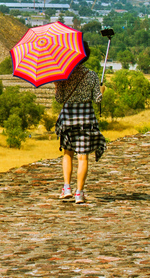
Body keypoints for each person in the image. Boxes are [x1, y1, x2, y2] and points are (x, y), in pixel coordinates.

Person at [54, 45, 106, 204]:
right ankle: (79, 193)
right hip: (86, 120)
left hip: (69, 119)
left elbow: (60, 99)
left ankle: (67, 188)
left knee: (68, 154)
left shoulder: (64, 75)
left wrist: (57, 86)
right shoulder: (92, 75)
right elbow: (97, 99)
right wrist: (102, 90)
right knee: (83, 157)